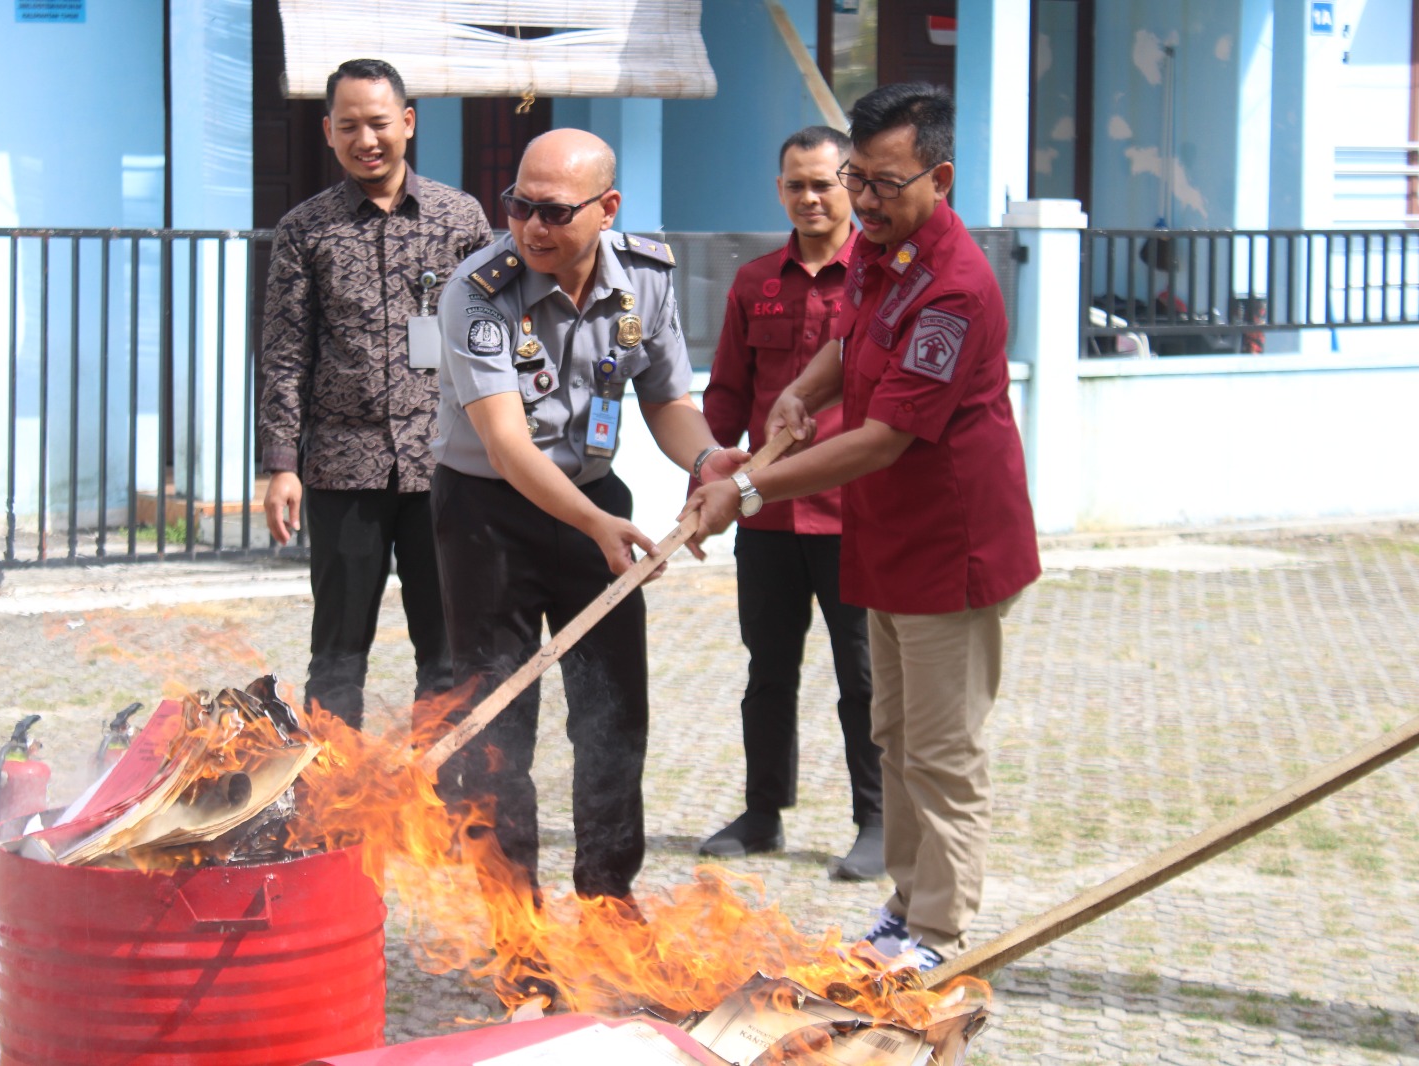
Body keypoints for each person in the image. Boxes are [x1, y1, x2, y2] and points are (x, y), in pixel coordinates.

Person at [681, 83, 1040, 968]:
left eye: (882, 183)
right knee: (894, 736)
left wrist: (750, 495)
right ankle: (906, 907)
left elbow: (880, 442)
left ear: (941, 177)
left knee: (943, 752)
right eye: (857, 179)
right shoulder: (889, 260)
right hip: (882, 544)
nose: (863, 202)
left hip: (949, 552)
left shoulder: (955, 288)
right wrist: (804, 390)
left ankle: (940, 933)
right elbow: (851, 341)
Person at [430, 128, 747, 909]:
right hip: (487, 517)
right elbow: (506, 444)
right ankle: (516, 920)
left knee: (613, 713)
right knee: (499, 724)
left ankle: (609, 896)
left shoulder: (647, 280)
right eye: (519, 206)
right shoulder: (477, 290)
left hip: (596, 506)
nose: (532, 227)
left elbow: (669, 401)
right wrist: (594, 526)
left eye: (555, 212)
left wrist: (706, 462)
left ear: (607, 208)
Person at [259, 59, 492, 728]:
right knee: (336, 657)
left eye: (380, 123)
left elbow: (493, 344)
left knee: (447, 653)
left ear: (408, 124)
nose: (368, 139)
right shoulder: (307, 230)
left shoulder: (460, 219)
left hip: (446, 464)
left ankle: (442, 800)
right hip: (342, 468)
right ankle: (332, 806)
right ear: (328, 131)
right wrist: (280, 464)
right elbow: (283, 352)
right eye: (351, 125)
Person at [696, 126, 884, 881]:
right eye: (796, 185)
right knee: (768, 670)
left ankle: (877, 820)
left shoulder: (876, 281)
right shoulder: (755, 284)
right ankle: (763, 811)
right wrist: (704, 489)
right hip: (765, 511)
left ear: (852, 186)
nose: (810, 197)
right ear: (779, 190)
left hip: (852, 514)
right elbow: (727, 398)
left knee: (862, 677)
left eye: (825, 183)